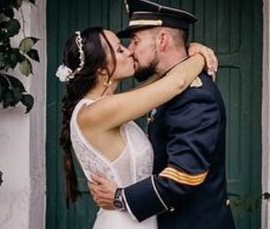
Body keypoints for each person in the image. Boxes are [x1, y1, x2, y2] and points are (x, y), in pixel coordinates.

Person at [88, 0, 236, 229]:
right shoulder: (167, 88)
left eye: (136, 41)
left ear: (163, 40)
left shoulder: (195, 95)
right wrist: (194, 53)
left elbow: (185, 175)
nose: (131, 50)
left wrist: (120, 197)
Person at [59, 25, 219, 228]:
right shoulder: (97, 112)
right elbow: (176, 82)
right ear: (101, 69)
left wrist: (191, 48)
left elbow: (163, 80)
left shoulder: (106, 106)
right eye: (119, 50)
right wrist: (200, 57)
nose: (130, 51)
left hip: (139, 218)